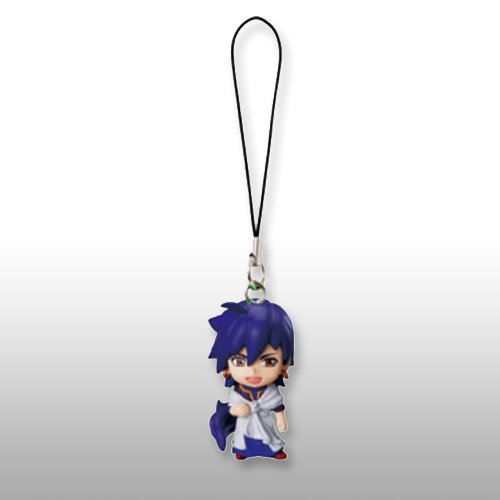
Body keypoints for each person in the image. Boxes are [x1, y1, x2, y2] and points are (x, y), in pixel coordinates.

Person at [208, 300, 294, 460]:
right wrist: (235, 411)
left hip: (263, 424)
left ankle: (272, 451)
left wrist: (281, 419)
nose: (253, 370)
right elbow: (233, 406)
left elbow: (277, 405)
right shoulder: (239, 392)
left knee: (268, 438)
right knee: (243, 441)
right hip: (245, 425)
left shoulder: (270, 392)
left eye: (269, 361)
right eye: (239, 361)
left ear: (285, 364)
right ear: (227, 367)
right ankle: (243, 451)